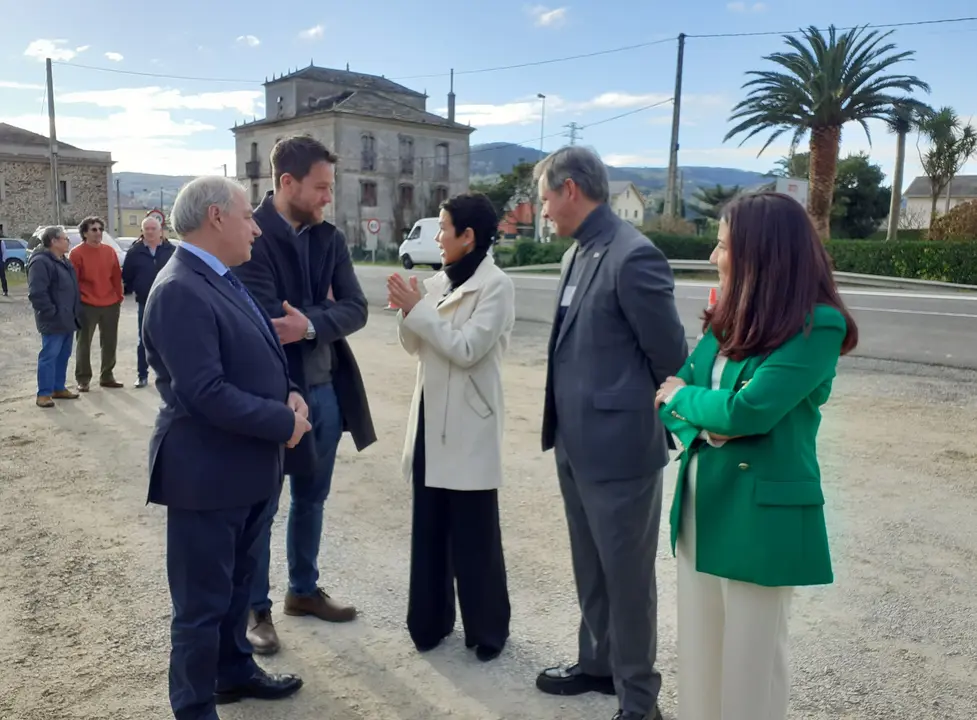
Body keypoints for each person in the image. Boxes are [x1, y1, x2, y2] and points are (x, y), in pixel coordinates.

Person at [655, 192, 858, 720]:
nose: (713, 257)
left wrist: (694, 406)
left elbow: (750, 411)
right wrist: (701, 415)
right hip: (704, 503)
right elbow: (670, 398)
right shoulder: (731, 314)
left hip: (760, 515)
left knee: (751, 663)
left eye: (722, 245)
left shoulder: (818, 325)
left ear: (759, 252)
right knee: (700, 651)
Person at [142, 176, 310, 720]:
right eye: (247, 216)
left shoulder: (221, 277)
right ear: (216, 217)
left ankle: (234, 672)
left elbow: (257, 352)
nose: (256, 228)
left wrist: (288, 392)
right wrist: (283, 421)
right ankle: (193, 708)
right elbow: (204, 393)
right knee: (200, 607)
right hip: (207, 476)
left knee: (237, 590)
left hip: (247, 468)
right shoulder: (179, 289)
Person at [533, 146, 688, 720]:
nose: (543, 209)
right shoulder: (580, 252)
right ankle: (597, 664)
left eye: (547, 196)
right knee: (590, 567)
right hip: (575, 445)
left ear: (571, 189)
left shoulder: (634, 256)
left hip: (620, 453)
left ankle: (640, 700)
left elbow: (670, 360)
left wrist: (639, 420)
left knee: (626, 579)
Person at [234, 134, 376, 655]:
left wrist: (311, 323)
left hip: (326, 390)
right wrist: (324, 312)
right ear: (287, 183)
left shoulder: (330, 238)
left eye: (329, 188)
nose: (326, 198)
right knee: (262, 506)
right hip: (272, 395)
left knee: (312, 499)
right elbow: (266, 320)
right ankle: (257, 609)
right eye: (320, 188)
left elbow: (357, 309)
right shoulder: (249, 235)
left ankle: (303, 591)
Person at [387, 192, 514, 661]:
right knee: (430, 526)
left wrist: (418, 312)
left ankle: (487, 631)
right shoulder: (440, 280)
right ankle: (429, 623)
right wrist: (408, 310)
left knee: (475, 534)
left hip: (470, 425)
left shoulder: (497, 286)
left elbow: (467, 349)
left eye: (444, 229)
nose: (437, 237)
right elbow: (415, 346)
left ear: (469, 236)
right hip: (428, 422)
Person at [26, 226, 82, 408]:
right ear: (54, 241)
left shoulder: (64, 261)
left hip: (68, 317)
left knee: (63, 355)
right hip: (53, 319)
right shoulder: (41, 262)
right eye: (65, 239)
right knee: (49, 356)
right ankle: (43, 393)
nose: (68, 242)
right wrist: (51, 312)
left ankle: (58, 388)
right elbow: (37, 293)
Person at [69, 216, 124, 391]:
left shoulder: (109, 251)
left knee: (110, 341)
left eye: (100, 229)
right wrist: (77, 303)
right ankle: (83, 379)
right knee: (84, 342)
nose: (98, 232)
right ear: (85, 233)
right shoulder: (76, 253)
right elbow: (74, 282)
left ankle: (107, 376)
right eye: (94, 229)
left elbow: (116, 276)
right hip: (87, 304)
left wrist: (119, 297)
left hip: (110, 303)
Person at [122, 215, 175, 387]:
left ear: (161, 231)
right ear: (142, 231)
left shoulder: (171, 250)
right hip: (145, 302)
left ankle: (171, 376)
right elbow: (127, 275)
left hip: (169, 302)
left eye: (154, 229)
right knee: (143, 340)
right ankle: (142, 375)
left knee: (170, 339)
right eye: (147, 229)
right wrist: (134, 288)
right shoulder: (135, 251)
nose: (150, 232)